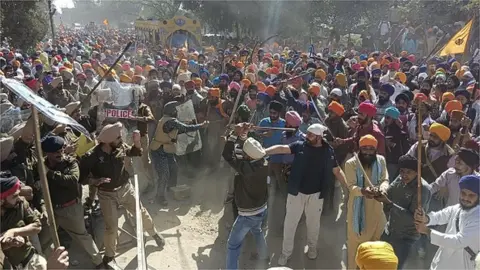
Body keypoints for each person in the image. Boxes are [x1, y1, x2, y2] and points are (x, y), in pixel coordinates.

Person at [79, 122, 165, 265]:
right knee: (111, 227)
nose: (121, 140)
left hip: (126, 189)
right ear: (107, 141)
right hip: (106, 195)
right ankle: (109, 255)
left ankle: (154, 234)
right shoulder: (91, 156)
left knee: (141, 213)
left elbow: (136, 152)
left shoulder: (120, 147)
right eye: (118, 138)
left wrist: (137, 143)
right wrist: (95, 181)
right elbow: (81, 178)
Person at [263, 123, 347, 266]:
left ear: (319, 137)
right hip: (296, 193)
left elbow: (337, 171)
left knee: (313, 224)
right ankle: (285, 253)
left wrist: (348, 187)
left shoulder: (328, 152)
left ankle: (312, 249)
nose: (307, 136)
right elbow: (282, 148)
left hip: (316, 195)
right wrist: (265, 151)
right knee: (290, 224)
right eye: (307, 134)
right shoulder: (299, 146)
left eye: (310, 135)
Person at [41, 136, 105, 268]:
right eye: (55, 152)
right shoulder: (41, 166)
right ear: (47, 153)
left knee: (82, 236)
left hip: (71, 209)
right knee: (44, 240)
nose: (59, 154)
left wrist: (49, 173)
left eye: (61, 150)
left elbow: (72, 180)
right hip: (51, 210)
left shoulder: (70, 163)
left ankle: (99, 263)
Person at [222, 123, 269, 270]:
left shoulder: (246, 168)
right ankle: (264, 256)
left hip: (248, 214)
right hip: (262, 208)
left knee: (233, 246)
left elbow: (227, 155)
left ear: (247, 155)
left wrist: (235, 134)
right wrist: (244, 135)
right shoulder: (263, 161)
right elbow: (249, 151)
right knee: (257, 230)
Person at [414, 175, 480, 270]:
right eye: (463, 193)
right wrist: (425, 218)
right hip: (442, 260)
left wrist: (428, 231)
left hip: (462, 264)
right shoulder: (457, 208)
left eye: (471, 195)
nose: (465, 198)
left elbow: (458, 241)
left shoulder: (478, 217)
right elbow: (441, 216)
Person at [376, 155, 431, 269]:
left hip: (406, 239)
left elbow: (413, 219)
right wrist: (378, 192)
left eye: (408, 172)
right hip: (389, 232)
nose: (404, 175)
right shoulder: (400, 179)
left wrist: (390, 204)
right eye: (402, 171)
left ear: (416, 172)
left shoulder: (423, 189)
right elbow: (389, 192)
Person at [149, 101, 208, 205]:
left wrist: (189, 124)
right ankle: (160, 196)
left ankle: (171, 189)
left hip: (167, 148)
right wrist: (201, 125)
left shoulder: (167, 120)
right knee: (164, 174)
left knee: (174, 168)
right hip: (159, 150)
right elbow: (185, 128)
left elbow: (177, 131)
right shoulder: (170, 121)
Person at [344, 135, 389, 269]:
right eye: (365, 149)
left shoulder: (381, 160)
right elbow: (351, 187)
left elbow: (385, 180)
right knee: (355, 246)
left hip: (376, 207)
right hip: (358, 210)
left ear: (375, 150)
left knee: (375, 244)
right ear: (359, 149)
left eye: (371, 149)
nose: (368, 152)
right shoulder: (351, 163)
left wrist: (382, 189)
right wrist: (363, 191)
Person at [0, 174, 45, 269]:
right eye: (14, 196)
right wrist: (8, 243)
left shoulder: (21, 203)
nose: (19, 198)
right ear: (2, 200)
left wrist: (14, 232)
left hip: (29, 261)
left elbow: (37, 226)